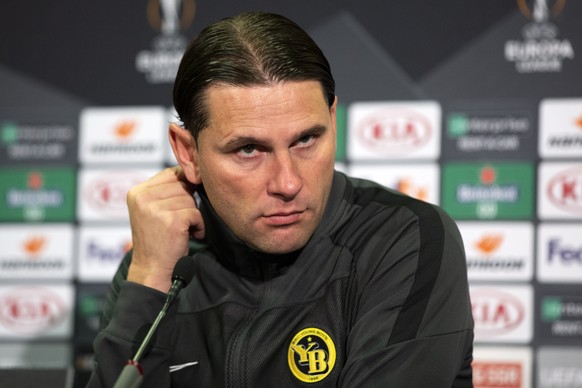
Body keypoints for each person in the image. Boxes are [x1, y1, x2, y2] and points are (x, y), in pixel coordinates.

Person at [87, 11, 474, 387]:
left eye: (306, 140)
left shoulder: (403, 240)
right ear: (188, 153)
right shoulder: (157, 269)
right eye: (249, 149)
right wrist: (150, 277)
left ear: (333, 120)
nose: (288, 183)